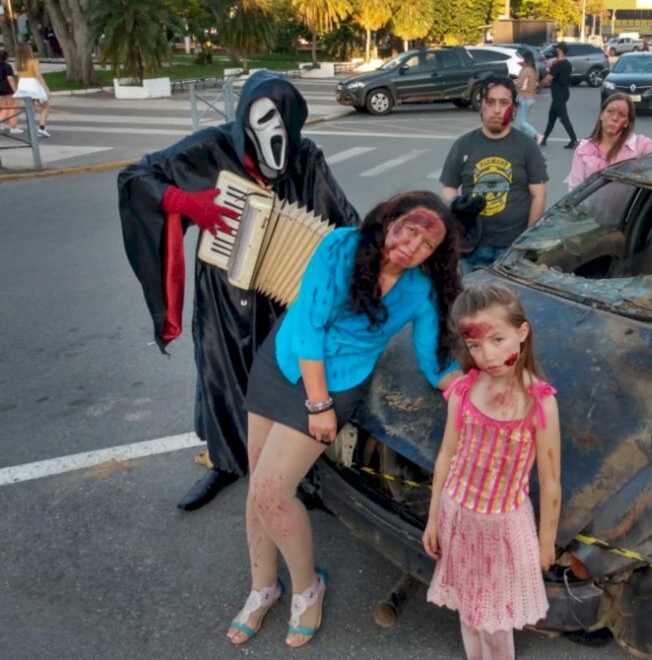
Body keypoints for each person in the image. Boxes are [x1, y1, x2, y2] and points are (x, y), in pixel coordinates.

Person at [229, 191, 462, 647]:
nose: (413, 246)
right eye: (409, 230)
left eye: (426, 244)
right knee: (260, 482)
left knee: (272, 491)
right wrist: (317, 405)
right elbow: (312, 325)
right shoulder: (340, 246)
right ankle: (263, 587)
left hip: (340, 382)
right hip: (286, 363)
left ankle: (306, 587)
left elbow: (432, 359)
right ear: (389, 220)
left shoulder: (420, 290)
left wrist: (465, 390)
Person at [118, 71, 359, 511]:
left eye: (280, 124)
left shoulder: (306, 158)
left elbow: (343, 221)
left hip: (282, 294)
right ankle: (226, 463)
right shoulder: (210, 149)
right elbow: (136, 177)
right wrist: (186, 203)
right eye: (259, 120)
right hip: (224, 293)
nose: (270, 135)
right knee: (221, 376)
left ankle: (296, 475)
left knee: (286, 381)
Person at [424, 283, 561, 660]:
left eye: (498, 339)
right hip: (458, 516)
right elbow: (447, 455)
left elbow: (550, 481)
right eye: (475, 346)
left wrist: (546, 541)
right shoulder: (464, 392)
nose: (488, 355)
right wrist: (433, 517)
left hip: (504, 528)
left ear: (522, 332)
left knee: (495, 621)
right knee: (470, 611)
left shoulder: (540, 404)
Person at [440, 75, 548, 272]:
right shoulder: (463, 144)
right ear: (481, 105)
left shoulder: (527, 146)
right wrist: (454, 203)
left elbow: (538, 195)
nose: (497, 110)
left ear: (513, 108)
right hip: (471, 247)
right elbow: (449, 186)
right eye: (490, 102)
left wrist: (526, 241)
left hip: (512, 247)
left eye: (504, 103)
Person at [567, 93, 652, 190]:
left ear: (626, 122)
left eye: (621, 115)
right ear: (601, 115)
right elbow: (574, 188)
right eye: (610, 111)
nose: (614, 118)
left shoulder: (639, 145)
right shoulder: (584, 149)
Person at [539, 42, 578, 150]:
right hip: (563, 93)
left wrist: (538, 87)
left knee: (564, 119)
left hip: (559, 95)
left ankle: (574, 140)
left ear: (560, 50)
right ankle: (544, 139)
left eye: (556, 49)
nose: (555, 51)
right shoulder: (567, 64)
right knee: (552, 117)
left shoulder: (558, 65)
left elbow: (547, 79)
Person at [12, 43, 50, 137]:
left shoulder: (17, 63)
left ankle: (32, 128)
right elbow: (38, 76)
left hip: (23, 85)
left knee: (30, 107)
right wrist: (46, 88)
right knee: (45, 106)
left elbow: (19, 76)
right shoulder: (33, 61)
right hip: (33, 84)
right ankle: (41, 128)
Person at [512, 51, 540, 144]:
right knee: (520, 122)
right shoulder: (534, 69)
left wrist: (513, 82)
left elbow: (520, 85)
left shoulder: (525, 70)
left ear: (525, 60)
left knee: (522, 122)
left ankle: (537, 135)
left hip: (525, 98)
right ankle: (522, 140)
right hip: (531, 98)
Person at [0, 49, 19, 134]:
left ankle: (1, 123)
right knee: (12, 107)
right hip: (7, 89)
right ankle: (13, 126)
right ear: (6, 57)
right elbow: (10, 78)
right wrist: (15, 90)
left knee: (4, 108)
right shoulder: (7, 66)